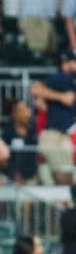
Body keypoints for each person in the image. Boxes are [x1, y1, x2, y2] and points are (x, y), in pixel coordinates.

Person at [30, 50, 76, 185]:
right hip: (53, 133)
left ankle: (66, 202)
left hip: (65, 134)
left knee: (67, 172)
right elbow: (35, 89)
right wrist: (61, 97)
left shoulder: (71, 81)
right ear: (65, 64)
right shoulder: (61, 77)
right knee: (61, 172)